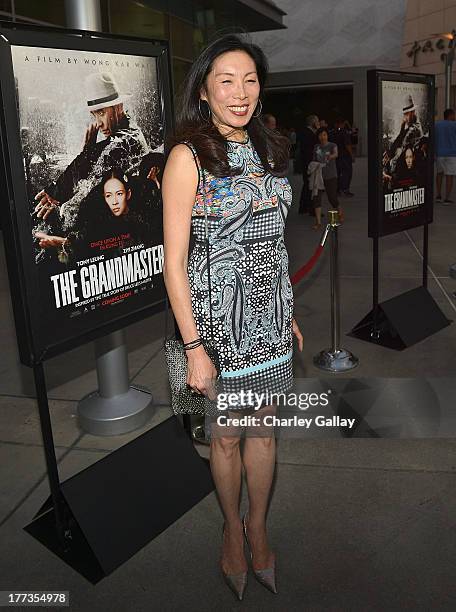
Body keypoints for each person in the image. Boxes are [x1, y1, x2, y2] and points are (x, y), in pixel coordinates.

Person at [162, 33, 303, 601]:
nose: (240, 92)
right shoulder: (186, 156)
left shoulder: (270, 149)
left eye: (250, 80)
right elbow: (173, 265)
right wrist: (195, 347)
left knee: (263, 432)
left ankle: (260, 527)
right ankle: (230, 529)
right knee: (225, 439)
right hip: (219, 328)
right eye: (227, 80)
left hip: (270, 321)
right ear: (204, 90)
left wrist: (286, 310)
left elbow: (274, 244)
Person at [33, 71, 151, 235]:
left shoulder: (123, 142)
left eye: (102, 113)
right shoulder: (131, 131)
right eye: (95, 115)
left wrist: (57, 195)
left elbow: (81, 204)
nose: (99, 124)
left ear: (119, 107)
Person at [311, 127, 343, 229]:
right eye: (320, 135)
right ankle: (318, 222)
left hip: (331, 175)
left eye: (324, 134)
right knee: (317, 198)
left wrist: (330, 156)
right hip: (318, 176)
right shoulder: (316, 147)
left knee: (332, 197)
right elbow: (314, 159)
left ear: (327, 135)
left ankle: (340, 211)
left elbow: (335, 154)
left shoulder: (332, 145)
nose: (322, 137)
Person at [297, 114, 319, 214]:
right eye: (317, 121)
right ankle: (311, 208)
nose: (318, 123)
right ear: (313, 122)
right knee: (311, 185)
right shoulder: (308, 133)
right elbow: (312, 148)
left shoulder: (306, 132)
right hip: (309, 163)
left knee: (307, 185)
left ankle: (304, 207)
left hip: (307, 163)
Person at [435, 108, 456, 204]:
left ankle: (438, 195)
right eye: (454, 115)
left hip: (440, 153)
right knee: (449, 176)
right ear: (450, 115)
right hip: (452, 154)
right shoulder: (454, 125)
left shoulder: (437, 125)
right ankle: (447, 198)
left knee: (439, 174)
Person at [331, 118, 354, 197]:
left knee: (337, 173)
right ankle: (345, 189)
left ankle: (337, 190)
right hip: (345, 156)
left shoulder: (332, 133)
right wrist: (352, 155)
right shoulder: (344, 132)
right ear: (342, 124)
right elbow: (347, 145)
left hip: (336, 156)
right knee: (347, 173)